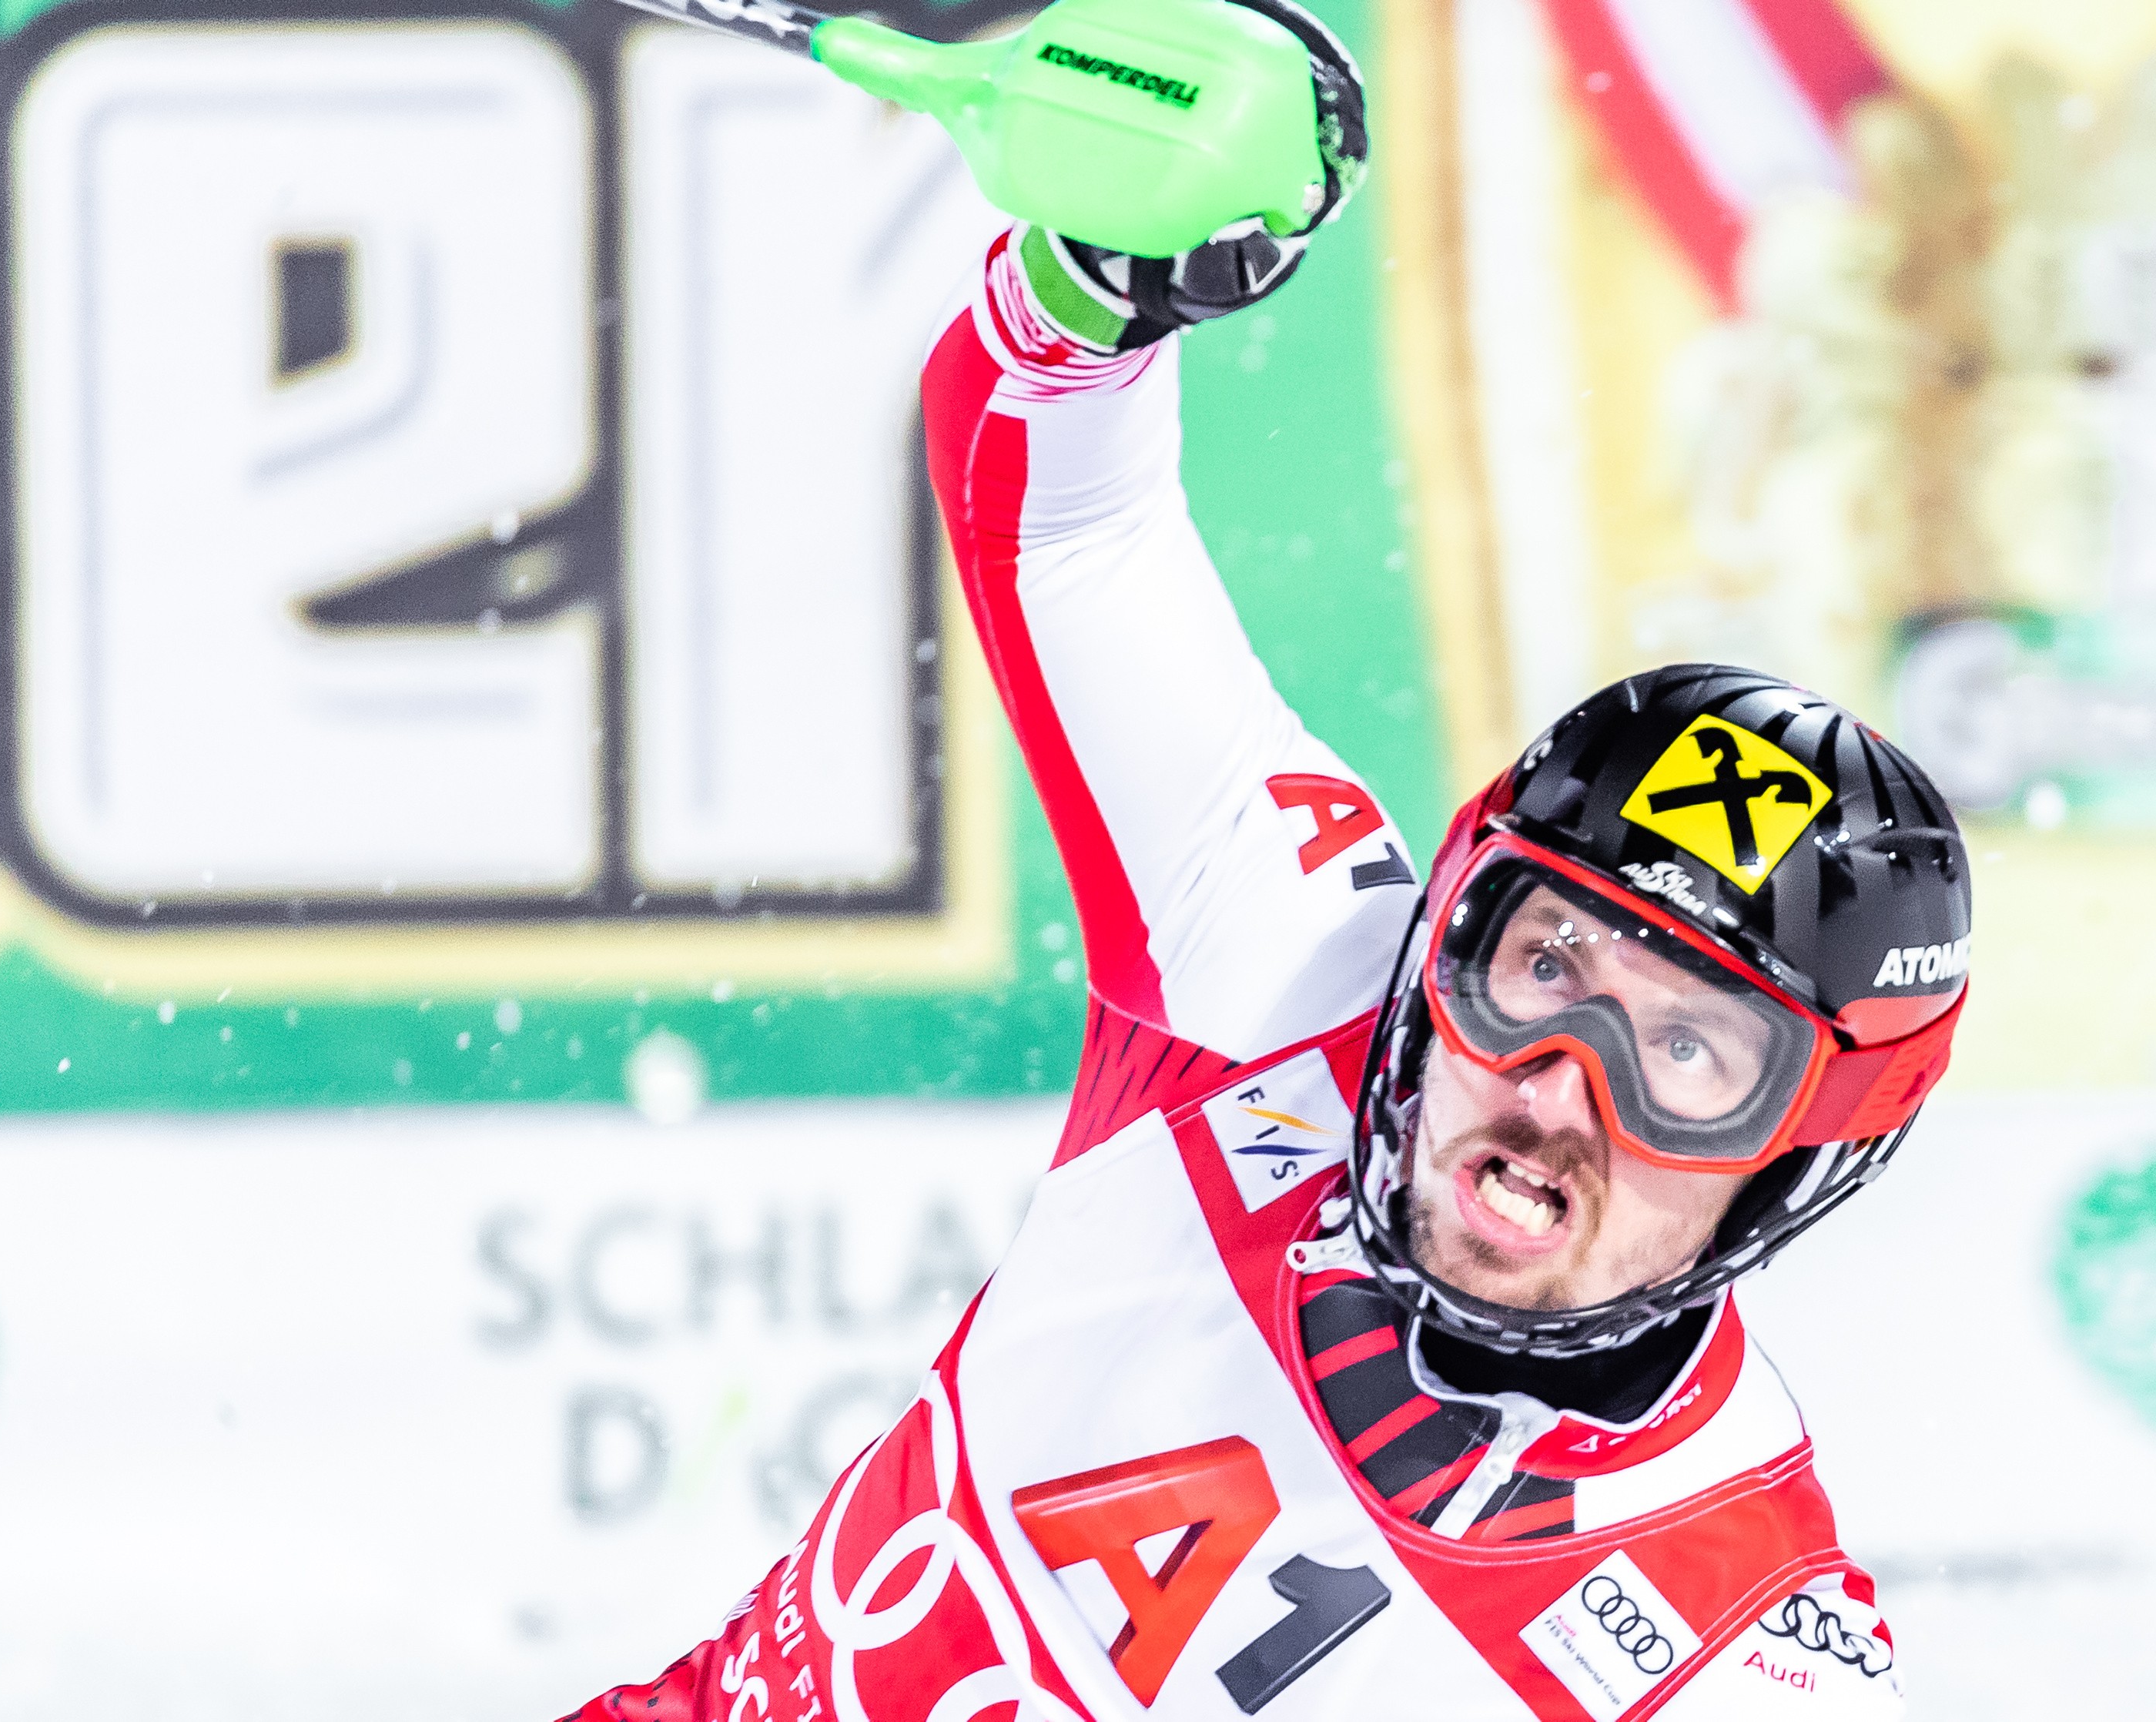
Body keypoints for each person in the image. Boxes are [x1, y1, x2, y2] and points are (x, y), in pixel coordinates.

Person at [565, 4, 1970, 1717]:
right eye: (1540, 964)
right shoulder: (1287, 971)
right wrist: (1091, 286)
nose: (1554, 1081)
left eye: (1683, 1052)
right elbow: (1066, 517)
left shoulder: (1732, 1652)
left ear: (1803, 1155)